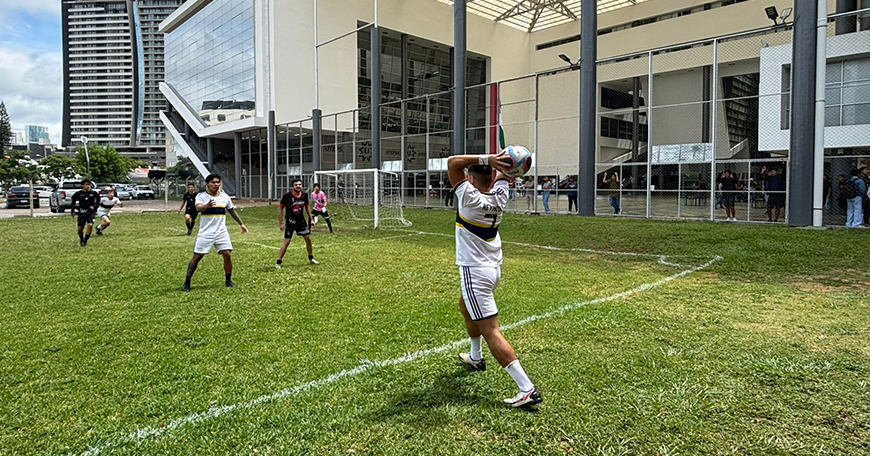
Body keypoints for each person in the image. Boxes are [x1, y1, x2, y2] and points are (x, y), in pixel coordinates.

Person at [448, 152, 542, 408]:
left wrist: (489, 158)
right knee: (465, 306)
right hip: (492, 270)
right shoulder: (500, 194)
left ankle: (526, 388)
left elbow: (452, 163)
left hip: (475, 272)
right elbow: (502, 176)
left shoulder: (469, 198)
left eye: (468, 177)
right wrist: (506, 166)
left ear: (471, 180)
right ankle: (476, 357)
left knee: (491, 330)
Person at [181, 174, 248, 292]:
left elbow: (232, 211)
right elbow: (198, 208)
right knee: (197, 257)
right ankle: (187, 282)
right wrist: (207, 205)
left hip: (221, 232)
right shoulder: (201, 196)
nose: (216, 184)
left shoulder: (224, 197)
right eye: (213, 182)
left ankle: (228, 280)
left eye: (218, 182)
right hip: (206, 232)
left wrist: (241, 224)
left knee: (227, 254)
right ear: (208, 184)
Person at [276, 179, 317, 268]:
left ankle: (311, 257)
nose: (298, 186)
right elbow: (280, 209)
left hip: (301, 222)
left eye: (299, 184)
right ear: (293, 187)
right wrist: (281, 223)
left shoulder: (304, 195)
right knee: (287, 241)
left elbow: (307, 207)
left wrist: (311, 219)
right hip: (290, 222)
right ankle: (278, 261)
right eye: (296, 185)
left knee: (308, 239)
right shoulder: (287, 196)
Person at [70, 180, 101, 247]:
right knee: (80, 228)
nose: (88, 186)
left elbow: (98, 200)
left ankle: (85, 240)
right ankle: (81, 239)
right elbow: (73, 202)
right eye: (86, 184)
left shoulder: (93, 193)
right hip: (82, 212)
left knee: (90, 225)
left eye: (89, 184)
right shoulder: (78, 194)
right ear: (82, 185)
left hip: (90, 212)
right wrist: (72, 211)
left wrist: (94, 206)